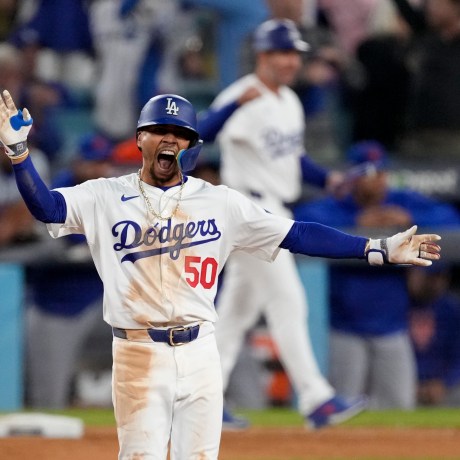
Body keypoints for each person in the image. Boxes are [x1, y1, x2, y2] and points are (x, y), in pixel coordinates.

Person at [0, 89, 441, 459]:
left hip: (201, 354)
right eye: (160, 131)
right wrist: (19, 155)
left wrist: (377, 248)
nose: (169, 140)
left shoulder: (221, 202)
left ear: (192, 145)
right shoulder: (104, 196)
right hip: (137, 354)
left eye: (180, 134)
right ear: (140, 138)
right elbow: (47, 208)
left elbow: (297, 233)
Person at [197, 18, 362, 429]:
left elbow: (295, 159)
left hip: (275, 208)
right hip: (248, 210)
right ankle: (316, 398)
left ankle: (200, 404)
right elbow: (193, 136)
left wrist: (330, 179)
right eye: (282, 53)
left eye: (294, 53)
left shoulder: (288, 100)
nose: (290, 61)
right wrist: (234, 106)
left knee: (236, 314)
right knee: (288, 301)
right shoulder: (241, 95)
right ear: (263, 55)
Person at [293, 140, 460, 409]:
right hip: (344, 327)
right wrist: (354, 225)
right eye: (367, 174)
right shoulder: (336, 205)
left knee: (400, 410)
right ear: (353, 176)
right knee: (344, 408)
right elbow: (300, 223)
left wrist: (408, 218)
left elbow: (451, 219)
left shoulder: (401, 200)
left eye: (380, 173)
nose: (376, 181)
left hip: (392, 327)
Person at [26, 132, 114, 409]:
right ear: (77, 162)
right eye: (91, 163)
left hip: (99, 303)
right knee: (49, 397)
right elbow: (60, 238)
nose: (97, 170)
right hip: (58, 308)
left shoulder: (112, 191)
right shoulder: (56, 190)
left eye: (102, 163)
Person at [407, 264, 460, 407]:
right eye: (428, 277)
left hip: (443, 386)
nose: (433, 283)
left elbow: (457, 356)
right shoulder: (398, 305)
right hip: (404, 382)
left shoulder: (451, 309)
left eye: (438, 277)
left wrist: (444, 383)